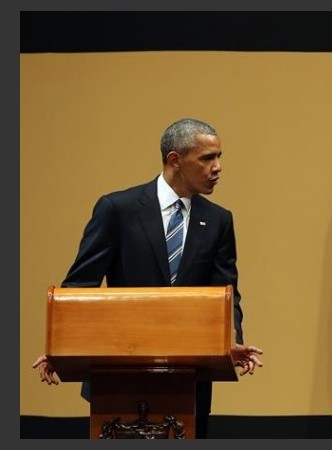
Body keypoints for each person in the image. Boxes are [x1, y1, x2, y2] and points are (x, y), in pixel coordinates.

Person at [31, 117, 263, 439]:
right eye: (207, 158)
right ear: (175, 160)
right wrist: (59, 346)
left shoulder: (218, 220)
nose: (218, 167)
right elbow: (80, 285)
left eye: (219, 157)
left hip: (190, 380)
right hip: (119, 376)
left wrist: (231, 339)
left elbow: (226, 292)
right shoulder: (118, 209)